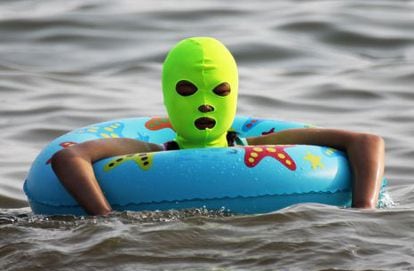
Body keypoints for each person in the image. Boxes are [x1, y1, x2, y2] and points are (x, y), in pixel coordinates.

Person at [51, 37, 385, 216]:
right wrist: (105, 218)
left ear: (233, 94)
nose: (206, 103)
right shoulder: (151, 151)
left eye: (220, 91)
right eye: (187, 91)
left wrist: (363, 211)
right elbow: (70, 158)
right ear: (169, 97)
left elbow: (367, 142)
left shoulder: (251, 145)